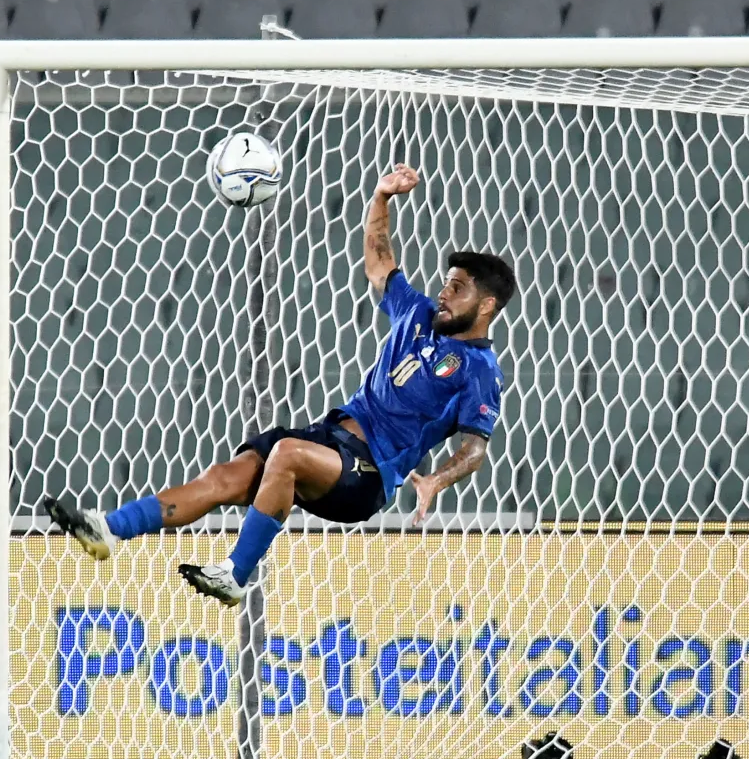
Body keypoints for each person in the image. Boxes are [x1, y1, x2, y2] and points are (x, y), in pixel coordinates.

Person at [44, 164, 515, 606]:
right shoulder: (416, 313)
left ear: (487, 305)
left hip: (369, 474)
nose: (443, 293)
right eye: (446, 283)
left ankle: (236, 575)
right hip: (329, 436)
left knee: (286, 453)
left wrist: (435, 480)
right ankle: (109, 529)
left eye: (458, 288)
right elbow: (379, 261)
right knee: (224, 477)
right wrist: (380, 197)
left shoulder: (479, 371)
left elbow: (475, 448)